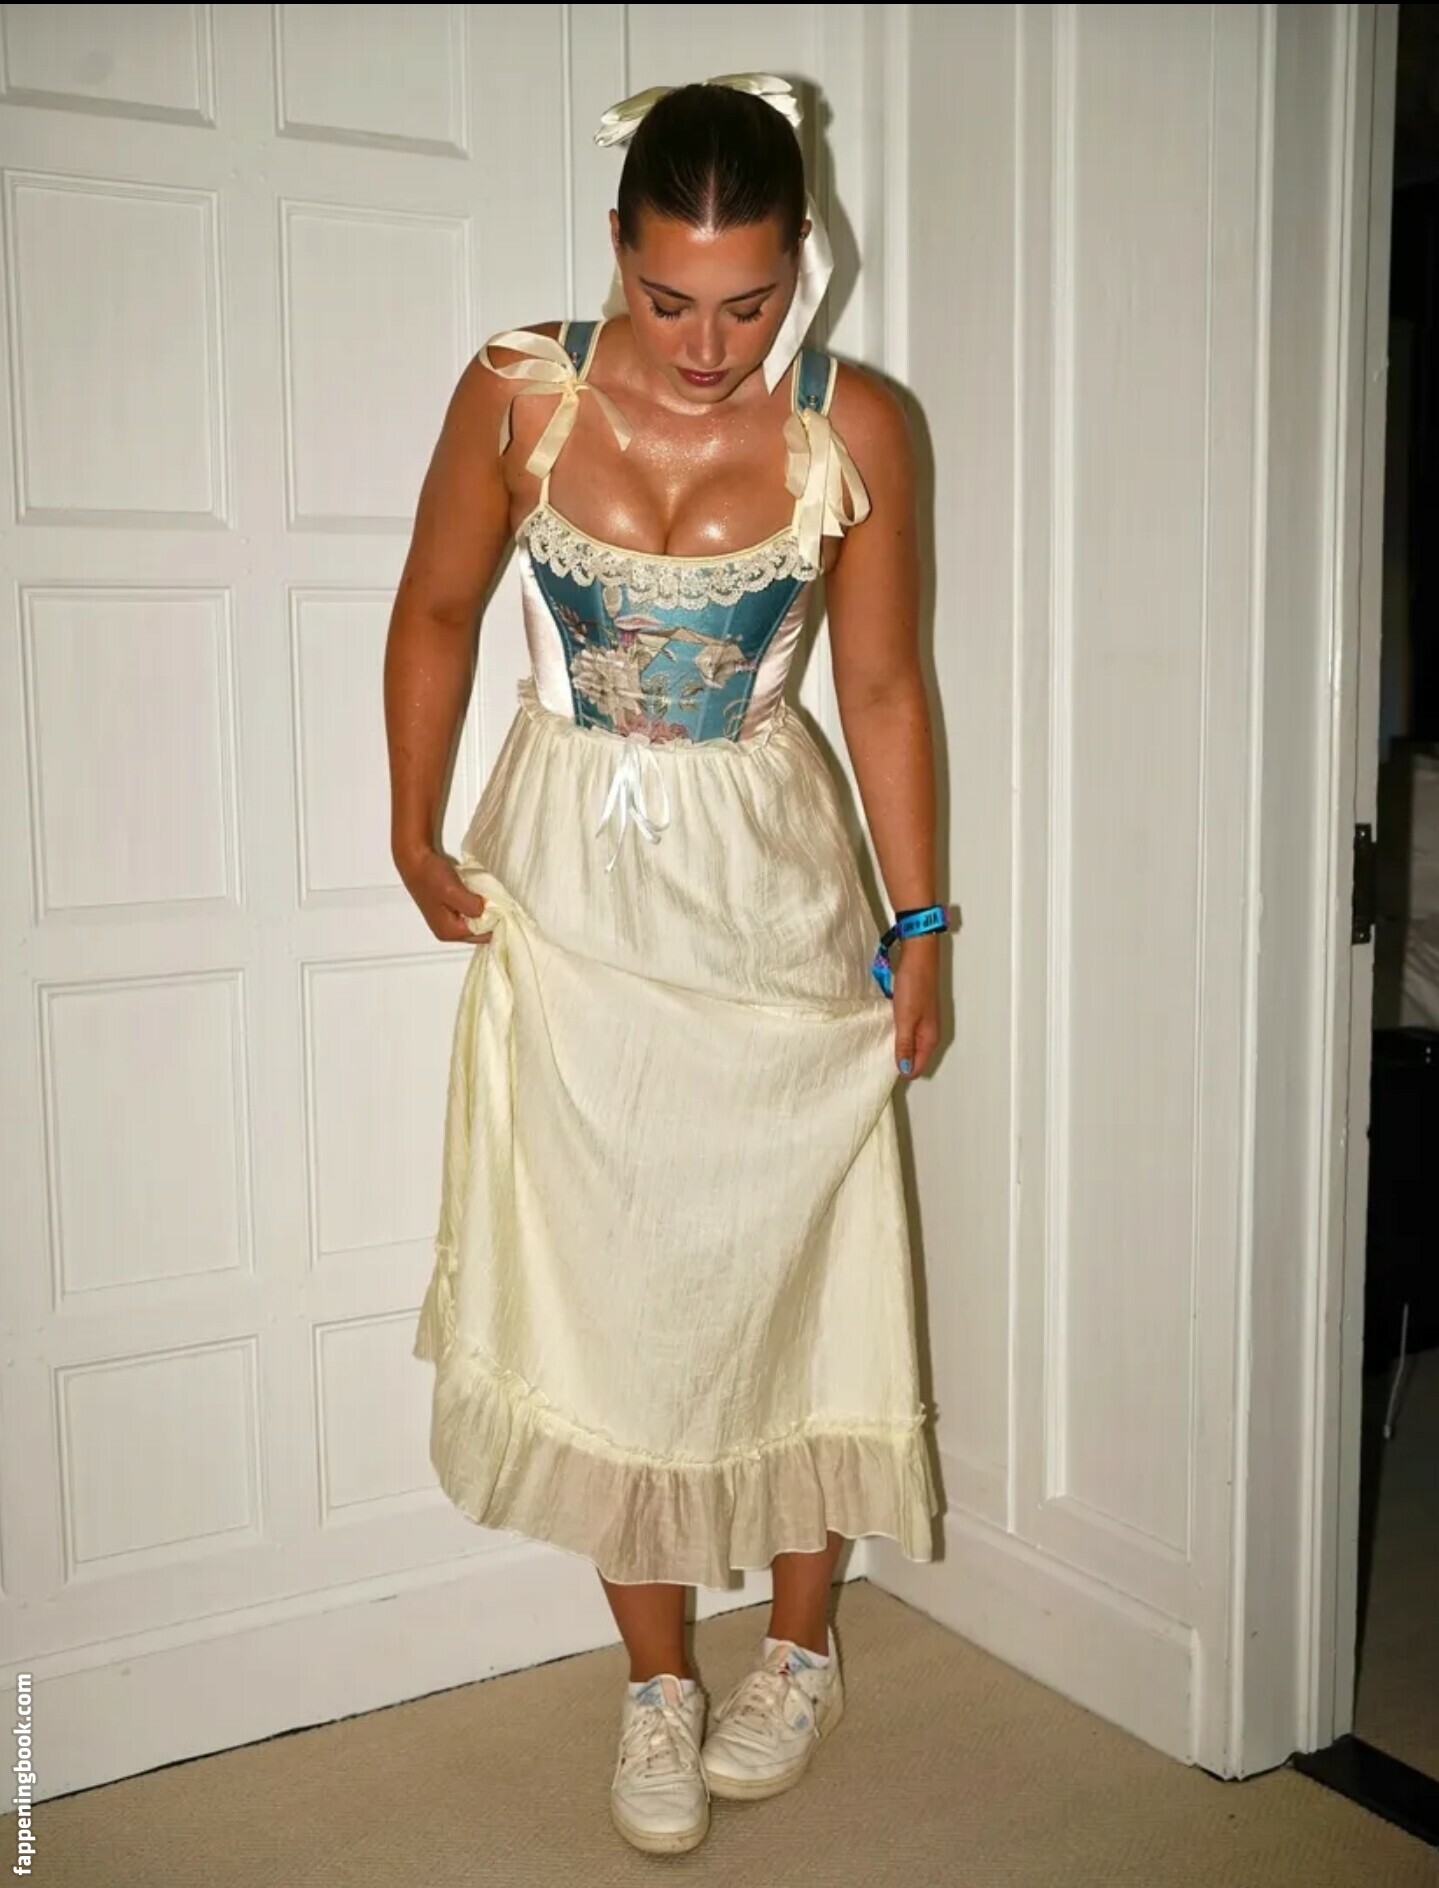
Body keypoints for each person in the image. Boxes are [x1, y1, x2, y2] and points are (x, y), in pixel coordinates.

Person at [386, 73, 945, 1857]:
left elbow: (882, 687)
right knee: (612, 1283)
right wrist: (410, 826)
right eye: (671, 297)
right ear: (616, 249)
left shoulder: (857, 423)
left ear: (803, 264)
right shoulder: (518, 393)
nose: (711, 349)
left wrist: (922, 924)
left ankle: (797, 1650)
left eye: (752, 303)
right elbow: (437, 610)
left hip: (773, 884)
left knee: (801, 1256)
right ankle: (654, 1682)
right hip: (577, 889)